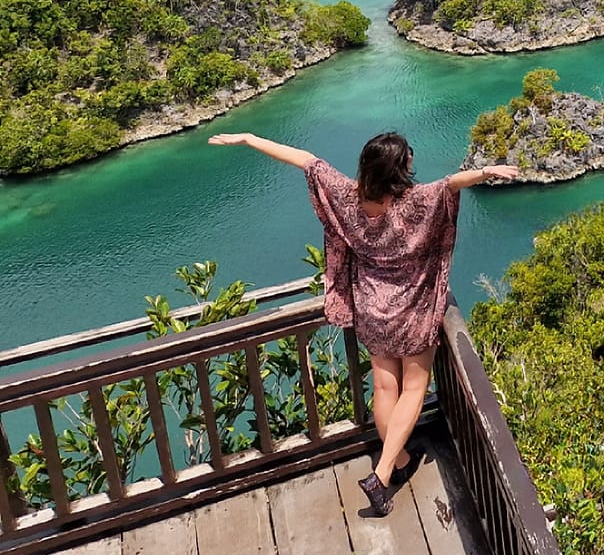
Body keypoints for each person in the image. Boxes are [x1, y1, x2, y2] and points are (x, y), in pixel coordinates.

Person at [209, 130, 517, 515]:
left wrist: (249, 139)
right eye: (407, 159)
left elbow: (305, 159)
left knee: (385, 386)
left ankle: (400, 460)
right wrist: (488, 171)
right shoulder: (413, 202)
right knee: (415, 387)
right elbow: (451, 184)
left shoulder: (347, 197)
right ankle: (383, 472)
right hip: (411, 307)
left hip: (370, 305)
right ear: (398, 169)